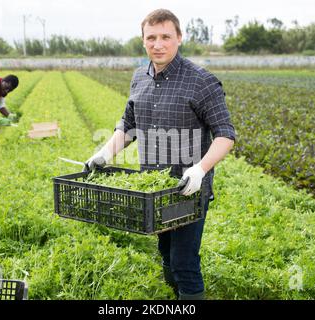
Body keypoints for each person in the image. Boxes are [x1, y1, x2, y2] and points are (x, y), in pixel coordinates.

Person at [85, 9, 236, 299]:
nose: (158, 44)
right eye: (151, 37)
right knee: (165, 252)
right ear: (143, 41)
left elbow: (225, 135)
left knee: (184, 261)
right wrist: (104, 153)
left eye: (165, 37)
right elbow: (128, 125)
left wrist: (200, 169)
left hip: (188, 189)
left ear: (179, 38)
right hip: (154, 189)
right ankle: (174, 295)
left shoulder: (201, 81)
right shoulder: (139, 78)